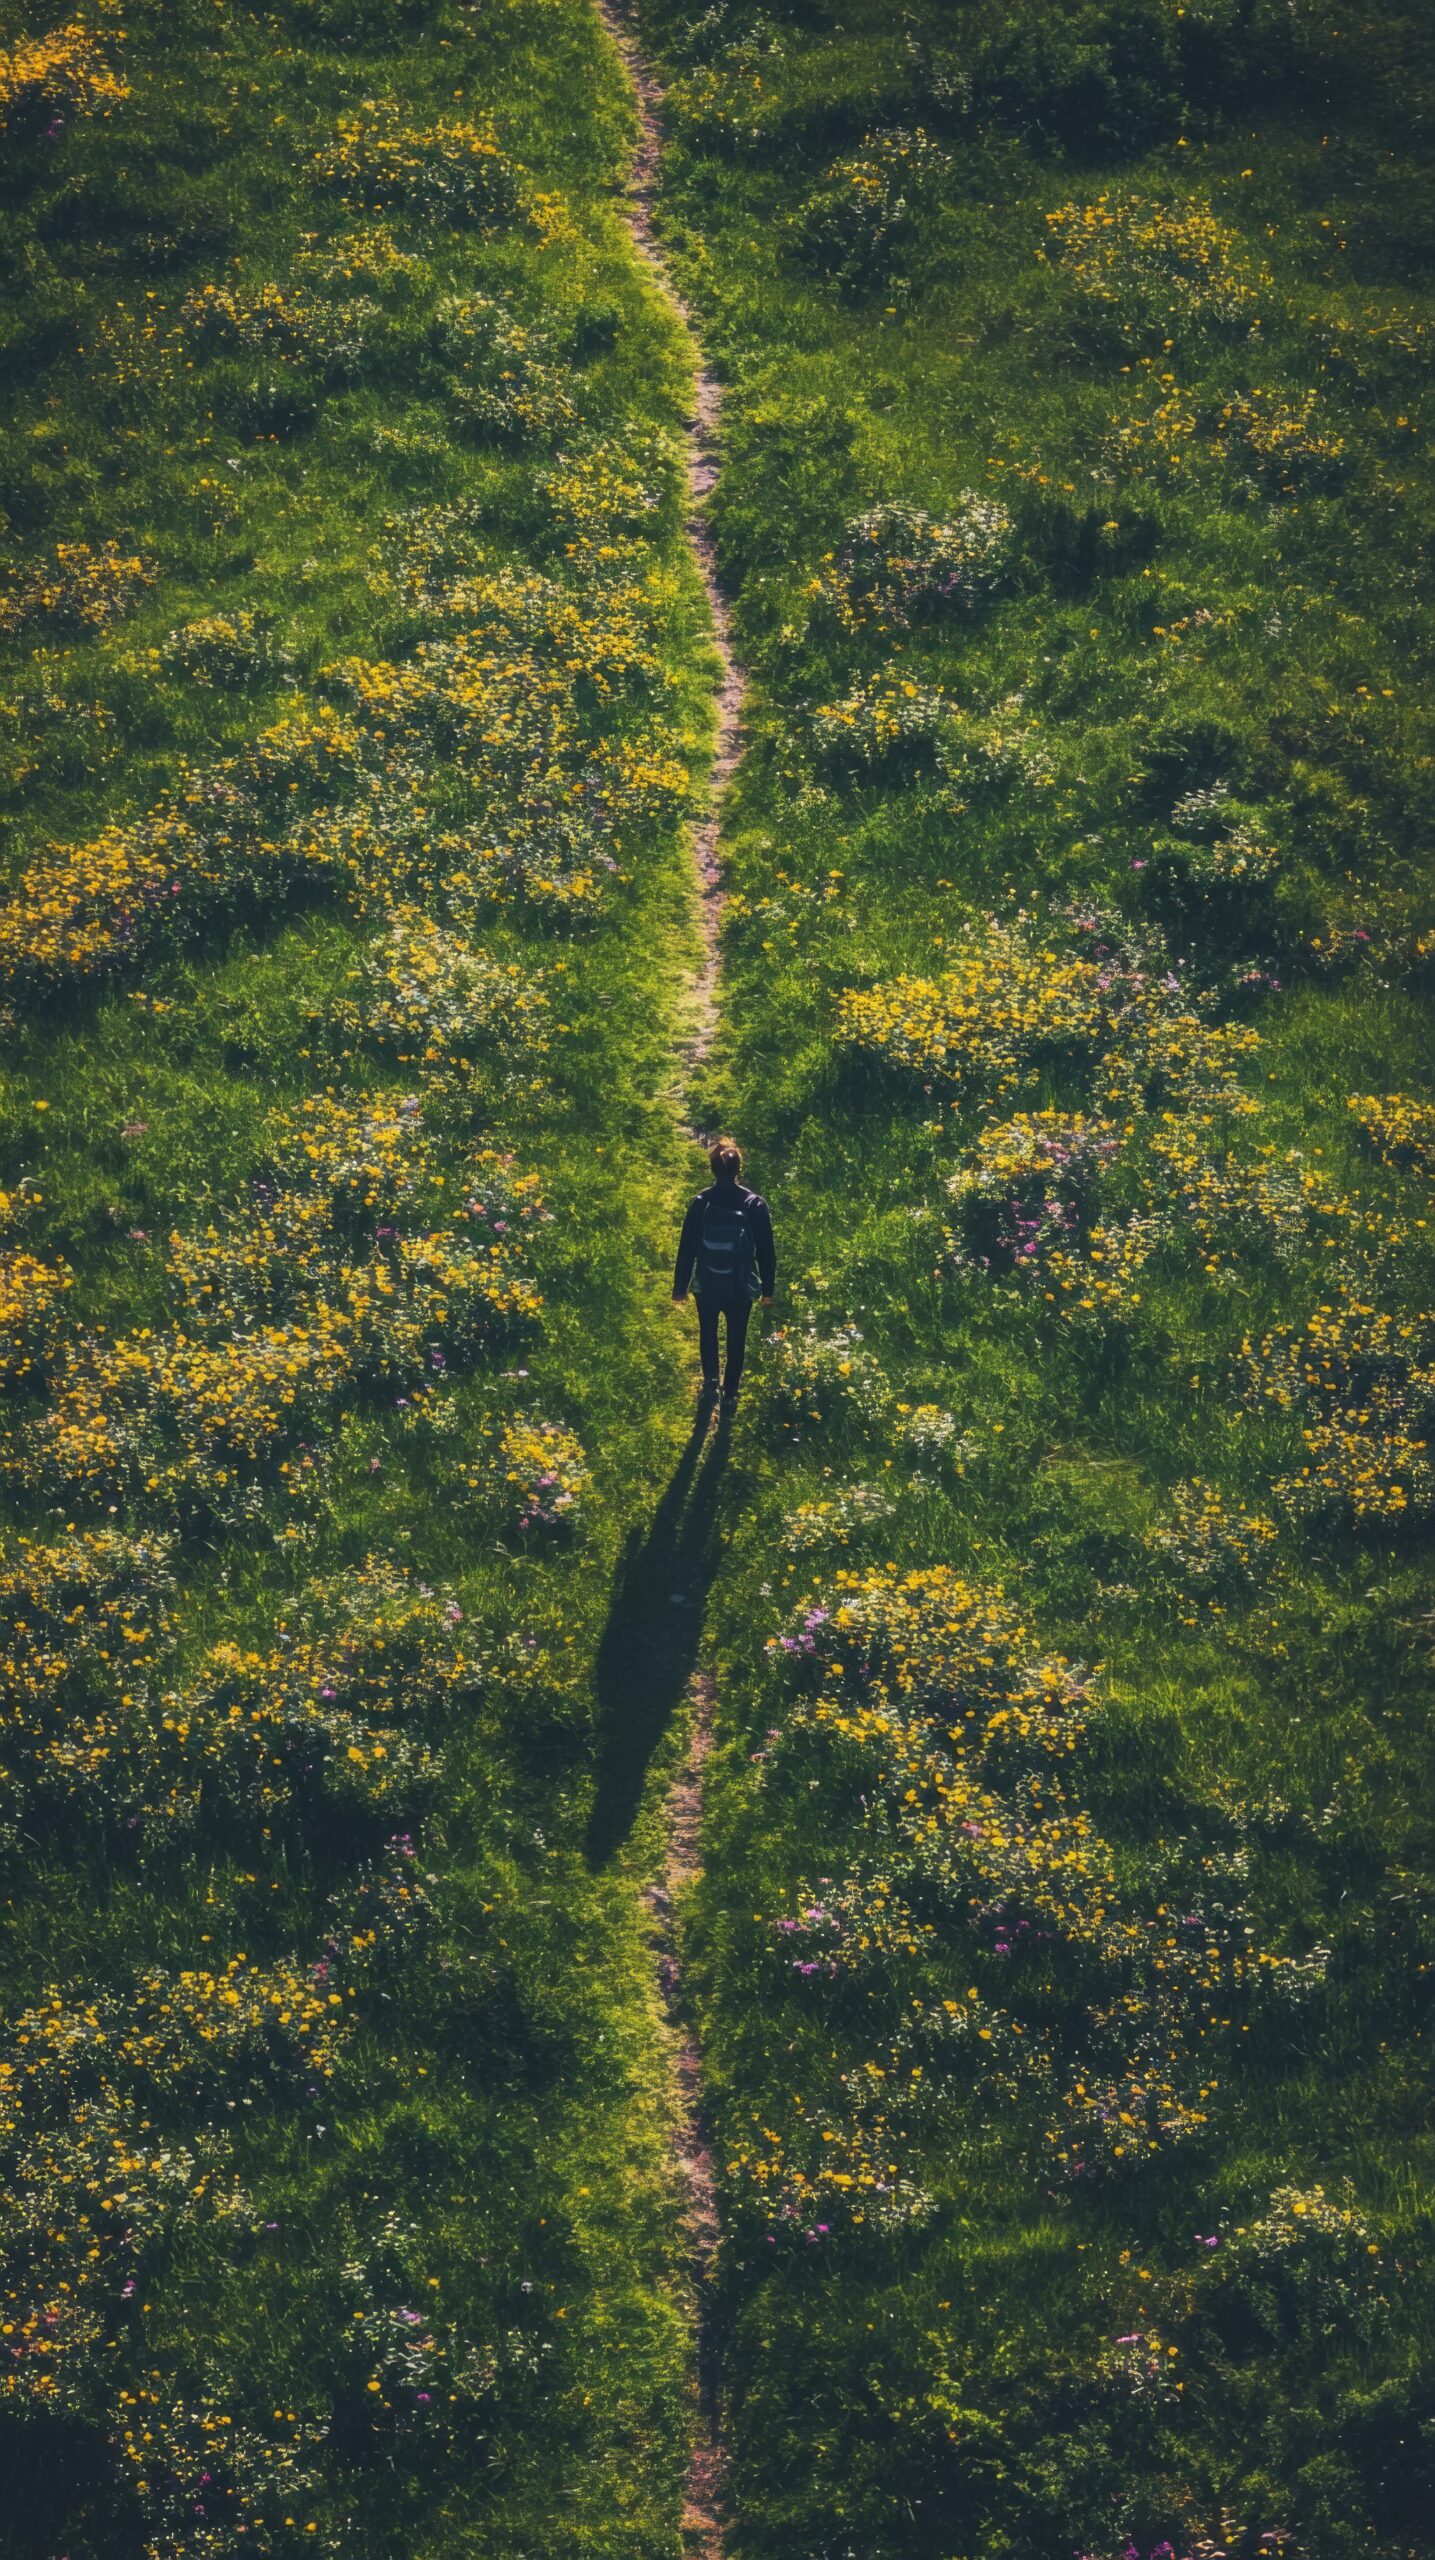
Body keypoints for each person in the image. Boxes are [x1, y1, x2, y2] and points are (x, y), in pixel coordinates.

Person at [672, 1138, 775, 1411]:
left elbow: (687, 1248)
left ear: (713, 1169)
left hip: (707, 1282)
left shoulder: (701, 1203)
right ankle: (730, 1393)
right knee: (736, 1337)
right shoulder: (754, 1204)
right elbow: (766, 1250)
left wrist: (680, 1287)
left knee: (708, 1332)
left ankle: (710, 1384)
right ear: (738, 1168)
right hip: (740, 1284)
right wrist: (768, 1290)